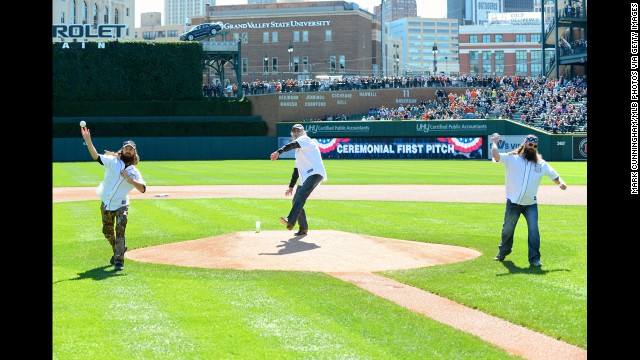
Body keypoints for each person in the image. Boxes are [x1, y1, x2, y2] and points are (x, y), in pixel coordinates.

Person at [490, 133, 567, 267]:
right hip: (513, 203)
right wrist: (495, 142)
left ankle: (534, 259)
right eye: (530, 144)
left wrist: (560, 183)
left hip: (531, 204)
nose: (532, 147)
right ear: (525, 144)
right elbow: (496, 156)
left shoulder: (541, 164)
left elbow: (554, 175)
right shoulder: (512, 158)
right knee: (507, 229)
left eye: (535, 146)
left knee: (533, 231)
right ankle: (503, 252)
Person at [81, 127, 147, 271]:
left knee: (120, 232)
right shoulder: (112, 162)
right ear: (122, 151)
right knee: (107, 232)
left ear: (134, 153)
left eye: (131, 149)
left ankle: (119, 261)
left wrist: (130, 179)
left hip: (122, 205)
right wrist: (88, 140)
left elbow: (143, 189)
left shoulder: (134, 172)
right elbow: (96, 156)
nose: (128, 151)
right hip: (106, 203)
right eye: (126, 148)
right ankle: (119, 249)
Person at [270, 124, 327, 235]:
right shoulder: (299, 151)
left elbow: (292, 144)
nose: (296, 133)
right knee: (295, 200)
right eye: (294, 131)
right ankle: (303, 228)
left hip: (315, 172)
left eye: (298, 131)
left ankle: (290, 220)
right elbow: (296, 170)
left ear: (303, 131)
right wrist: (291, 186)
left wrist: (278, 152)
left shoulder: (305, 139)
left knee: (301, 195)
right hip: (305, 177)